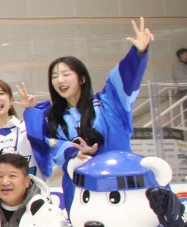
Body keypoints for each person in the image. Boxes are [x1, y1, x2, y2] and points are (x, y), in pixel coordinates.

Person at [24, 19, 153, 209]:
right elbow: (51, 148)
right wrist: (74, 152)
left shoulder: (109, 102)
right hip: (80, 191)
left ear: (82, 78)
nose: (60, 80)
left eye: (66, 74)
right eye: (54, 76)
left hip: (120, 183)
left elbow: (126, 77)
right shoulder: (54, 118)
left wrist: (138, 53)